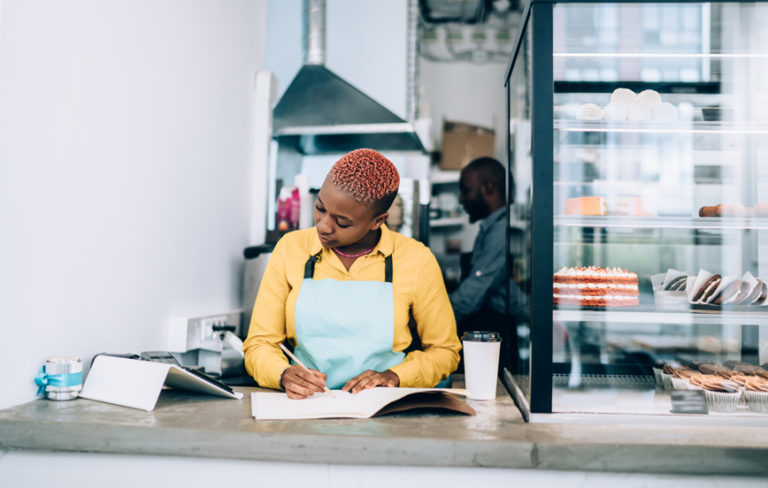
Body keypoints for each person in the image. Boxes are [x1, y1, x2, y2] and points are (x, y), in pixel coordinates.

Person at [244, 148, 461, 399]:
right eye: (320, 208)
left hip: (382, 410)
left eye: (342, 222)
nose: (323, 226)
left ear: (378, 221)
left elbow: (445, 351)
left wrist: (394, 377)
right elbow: (259, 344)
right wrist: (282, 374)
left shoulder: (416, 260)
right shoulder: (290, 249)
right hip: (305, 405)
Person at [449, 157, 527, 368]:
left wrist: (433, 317)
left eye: (466, 190)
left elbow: (475, 290)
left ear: (488, 189)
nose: (462, 199)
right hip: (487, 330)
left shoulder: (501, 232)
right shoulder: (491, 228)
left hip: (495, 334)